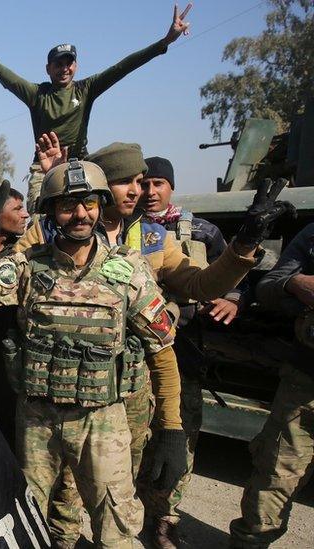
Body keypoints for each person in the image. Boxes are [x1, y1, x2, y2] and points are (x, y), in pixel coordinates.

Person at [27, 138, 291, 547]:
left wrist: (242, 247)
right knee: (63, 495)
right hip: (63, 393)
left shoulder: (153, 239)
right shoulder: (47, 234)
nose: (137, 190)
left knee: (118, 496)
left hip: (131, 386)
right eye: (124, 181)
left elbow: (201, 285)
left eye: (142, 181)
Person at [0, 167, 185, 548]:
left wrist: (172, 429)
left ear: (100, 205)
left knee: (117, 530)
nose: (80, 214)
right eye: (68, 206)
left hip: (102, 422)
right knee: (26, 521)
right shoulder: (26, 267)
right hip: (37, 421)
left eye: (89, 203)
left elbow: (162, 350)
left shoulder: (128, 271)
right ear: (50, 211)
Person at [0, 4, 193, 212]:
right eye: (58, 64)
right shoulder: (38, 94)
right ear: (48, 68)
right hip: (44, 165)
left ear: (76, 66)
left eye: (69, 63)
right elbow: (11, 80)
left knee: (98, 208)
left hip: (80, 160)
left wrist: (164, 42)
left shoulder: (85, 89)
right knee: (40, 213)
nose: (64, 68)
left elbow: (123, 67)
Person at [135, 156, 245, 548]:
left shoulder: (201, 230)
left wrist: (233, 298)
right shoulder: (126, 229)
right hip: (135, 351)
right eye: (144, 184)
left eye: (159, 184)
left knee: (179, 438)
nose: (150, 192)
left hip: (182, 348)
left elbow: (229, 277)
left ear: (171, 188)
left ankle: (164, 519)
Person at [229, 218, 314, 549]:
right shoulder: (311, 235)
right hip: (305, 384)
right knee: (274, 478)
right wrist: (295, 284)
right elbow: (268, 287)